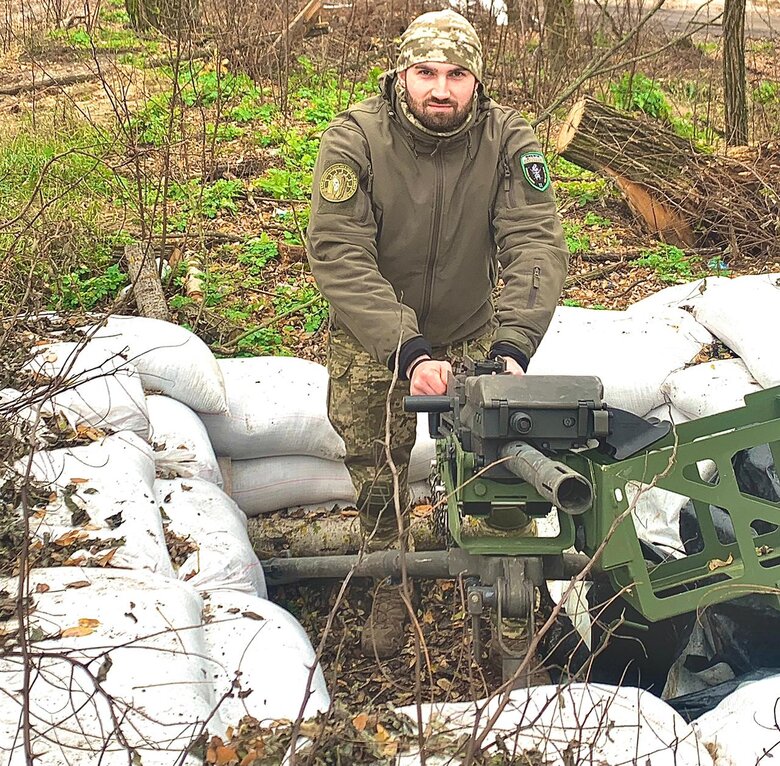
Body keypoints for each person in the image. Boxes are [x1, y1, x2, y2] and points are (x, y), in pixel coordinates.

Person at [306, 9, 569, 658]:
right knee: (377, 469)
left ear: (477, 80)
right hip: (376, 336)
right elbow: (338, 251)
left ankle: (508, 585)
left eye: (457, 74)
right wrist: (406, 348)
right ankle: (392, 576)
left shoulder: (509, 138)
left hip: (472, 330)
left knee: (499, 465)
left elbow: (535, 244)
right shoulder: (355, 138)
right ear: (402, 72)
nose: (441, 89)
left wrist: (512, 346)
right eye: (426, 72)